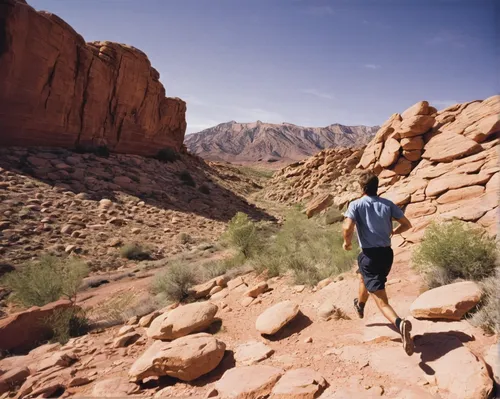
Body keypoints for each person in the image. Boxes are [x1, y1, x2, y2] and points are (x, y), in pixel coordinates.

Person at [342, 171, 414, 356]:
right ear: (376, 186)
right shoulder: (387, 204)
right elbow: (406, 224)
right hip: (386, 254)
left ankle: (400, 324)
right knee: (363, 277)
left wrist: (347, 242)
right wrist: (394, 233)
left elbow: (347, 227)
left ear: (362, 188)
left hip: (370, 255)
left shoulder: (356, 204)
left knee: (382, 301)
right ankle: (360, 304)